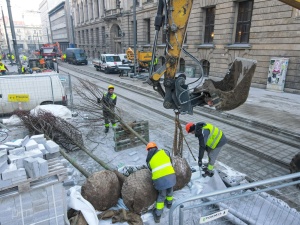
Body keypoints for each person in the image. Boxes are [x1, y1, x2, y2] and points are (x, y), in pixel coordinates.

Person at [145, 142, 176, 223]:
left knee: (162, 195)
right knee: (170, 190)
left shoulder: (149, 161)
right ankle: (169, 204)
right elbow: (170, 161)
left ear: (148, 150)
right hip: (171, 176)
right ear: (156, 147)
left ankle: (158, 215)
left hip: (160, 180)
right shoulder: (165, 152)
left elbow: (151, 170)